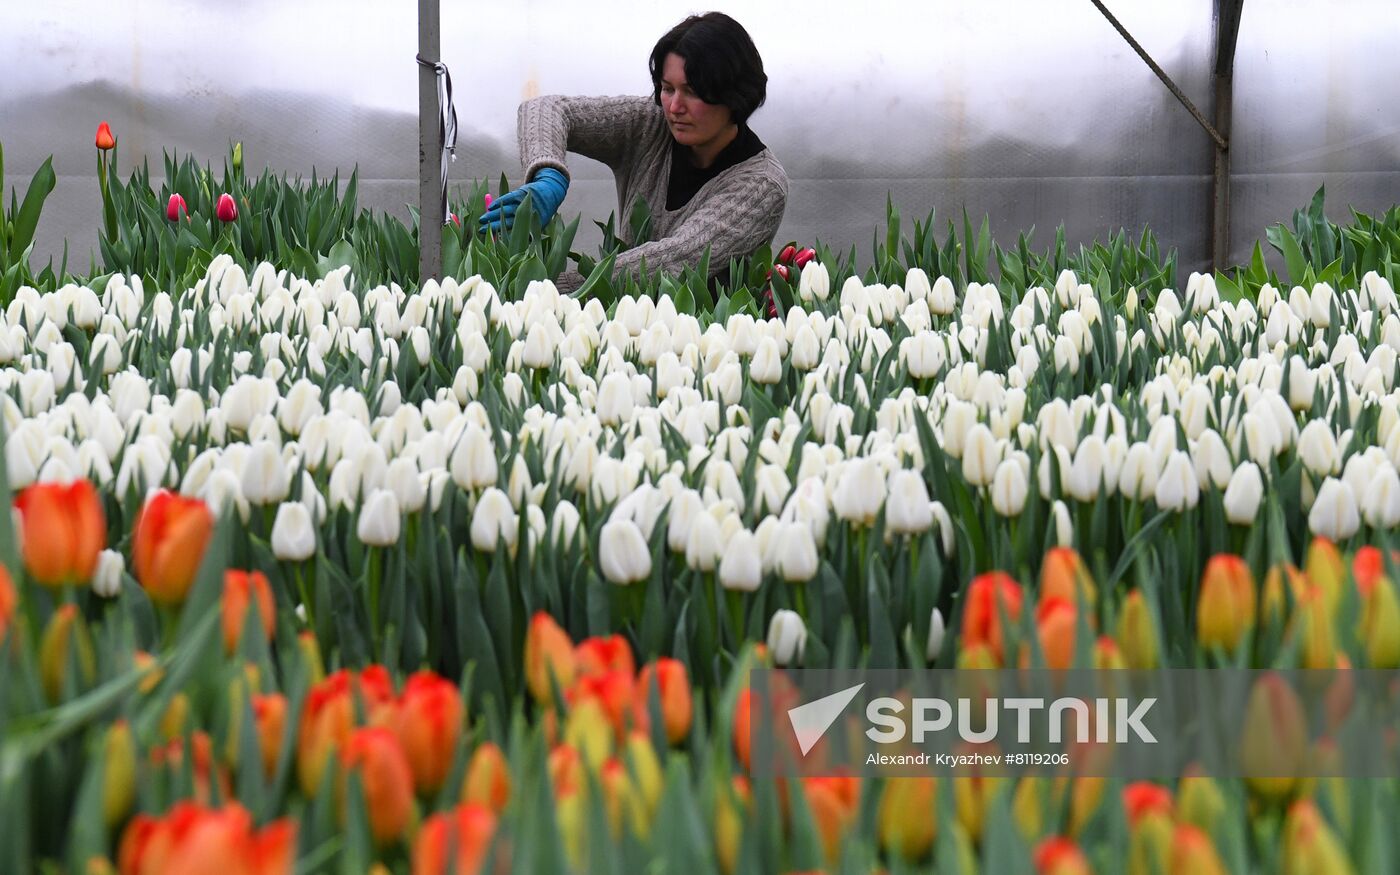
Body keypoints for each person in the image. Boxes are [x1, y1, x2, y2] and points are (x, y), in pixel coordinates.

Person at [479, 12, 788, 295]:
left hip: (701, 342)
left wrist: (540, 292)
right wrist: (549, 175)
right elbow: (544, 109)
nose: (674, 107)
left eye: (692, 92)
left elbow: (677, 257)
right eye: (668, 88)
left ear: (734, 95)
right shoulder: (651, 124)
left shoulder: (761, 186)